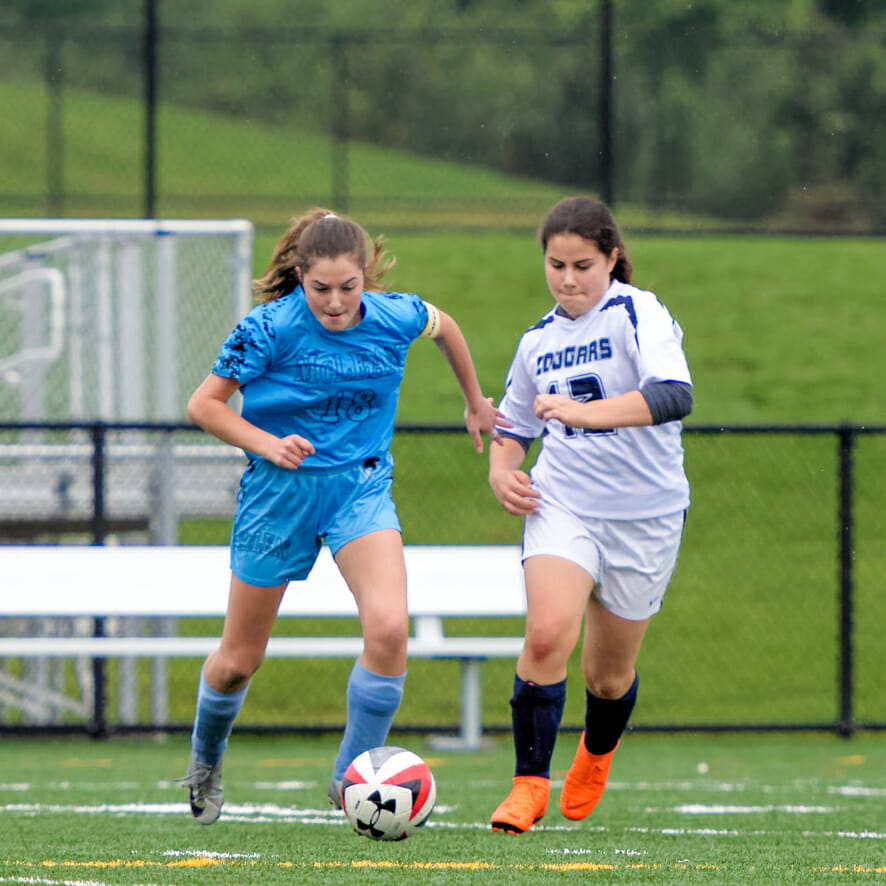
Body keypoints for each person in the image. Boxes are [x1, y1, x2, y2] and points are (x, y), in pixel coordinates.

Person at [181, 207, 504, 825]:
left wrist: (474, 402)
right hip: (279, 496)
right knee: (236, 661)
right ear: (300, 276)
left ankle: (350, 780)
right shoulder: (267, 328)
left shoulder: (396, 315)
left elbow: (448, 329)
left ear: (366, 276)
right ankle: (204, 761)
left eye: (348, 287)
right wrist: (267, 443)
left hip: (360, 489)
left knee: (388, 630)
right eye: (320, 288)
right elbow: (205, 405)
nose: (334, 302)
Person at [487, 196, 692, 834]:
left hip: (647, 515)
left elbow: (673, 394)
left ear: (611, 259)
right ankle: (527, 785)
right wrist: (502, 468)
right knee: (546, 635)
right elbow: (512, 426)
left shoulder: (638, 310)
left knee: (608, 677)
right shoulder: (536, 341)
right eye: (556, 265)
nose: (568, 279)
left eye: (582, 264)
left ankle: (596, 753)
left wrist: (583, 414)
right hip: (564, 503)